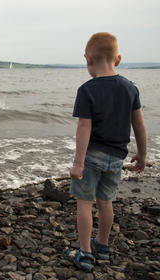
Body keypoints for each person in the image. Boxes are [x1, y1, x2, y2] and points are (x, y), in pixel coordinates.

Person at [66, 32, 147, 272]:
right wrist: (142, 154)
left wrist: (78, 163)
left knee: (84, 202)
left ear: (88, 59)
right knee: (106, 201)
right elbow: (139, 124)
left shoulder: (87, 89)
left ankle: (84, 252)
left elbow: (84, 127)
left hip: (92, 157)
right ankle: (102, 245)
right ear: (118, 59)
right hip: (116, 157)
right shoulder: (130, 88)